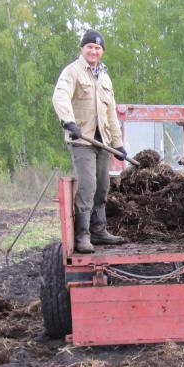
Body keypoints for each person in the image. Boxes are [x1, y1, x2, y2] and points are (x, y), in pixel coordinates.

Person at [52, 29, 129, 253]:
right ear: (82, 49)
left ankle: (99, 231)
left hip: (102, 141)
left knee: (103, 187)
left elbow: (111, 113)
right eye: (90, 47)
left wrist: (118, 143)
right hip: (82, 140)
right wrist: (68, 121)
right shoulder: (73, 72)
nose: (94, 51)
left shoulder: (104, 77)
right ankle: (82, 235)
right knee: (88, 186)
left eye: (98, 48)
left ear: (102, 51)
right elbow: (60, 95)